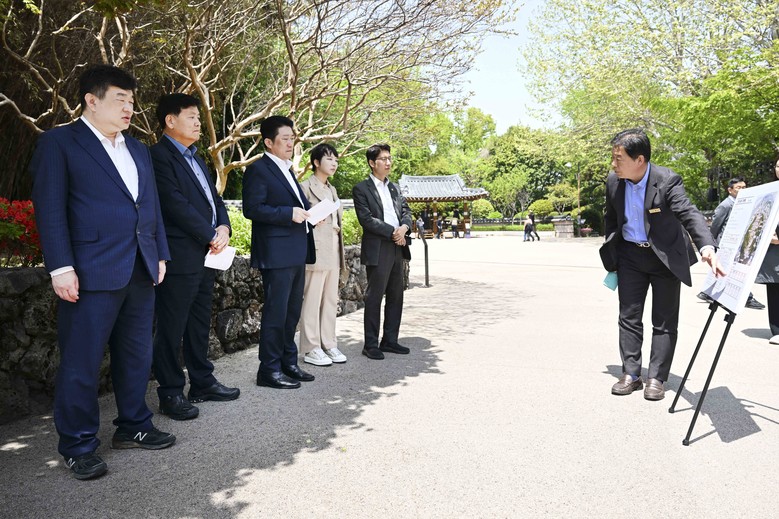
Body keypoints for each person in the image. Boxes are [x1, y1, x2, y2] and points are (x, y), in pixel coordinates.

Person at [30, 65, 175, 480]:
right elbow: (50, 209)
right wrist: (61, 267)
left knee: (136, 355)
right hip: (90, 270)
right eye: (120, 100)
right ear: (91, 101)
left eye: (132, 101)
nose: (129, 108)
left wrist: (160, 254)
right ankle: (78, 445)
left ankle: (134, 425)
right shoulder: (59, 142)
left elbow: (150, 206)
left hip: (140, 269)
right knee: (81, 361)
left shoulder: (139, 149)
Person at [603, 129, 725, 401]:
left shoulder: (667, 180)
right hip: (630, 256)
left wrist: (707, 247)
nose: (613, 164)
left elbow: (689, 213)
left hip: (664, 257)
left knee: (664, 320)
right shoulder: (614, 182)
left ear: (640, 160)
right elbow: (611, 218)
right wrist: (612, 250)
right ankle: (631, 374)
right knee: (628, 316)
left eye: (618, 158)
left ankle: (656, 377)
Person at [150, 93, 240, 421]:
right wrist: (209, 234)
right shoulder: (158, 156)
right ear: (170, 120)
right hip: (179, 255)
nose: (199, 123)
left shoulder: (197, 158)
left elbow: (214, 200)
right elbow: (174, 204)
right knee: (171, 326)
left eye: (199, 118)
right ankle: (170, 392)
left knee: (199, 323)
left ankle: (202, 382)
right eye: (192, 117)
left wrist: (224, 228)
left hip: (206, 255)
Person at [242, 116, 316, 389]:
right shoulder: (258, 169)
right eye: (284, 139)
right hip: (276, 252)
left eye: (292, 138)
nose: (290, 143)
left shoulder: (288, 169)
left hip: (296, 250)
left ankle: (288, 362)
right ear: (268, 142)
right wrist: (288, 213)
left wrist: (311, 215)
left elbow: (299, 206)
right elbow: (252, 208)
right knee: (276, 313)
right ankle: (269, 370)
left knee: (291, 312)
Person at [352, 143, 412, 359]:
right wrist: (392, 232)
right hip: (379, 246)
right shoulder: (361, 189)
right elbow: (366, 220)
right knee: (374, 296)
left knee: (396, 295)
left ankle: (390, 340)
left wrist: (404, 228)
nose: (388, 162)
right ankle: (370, 344)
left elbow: (406, 211)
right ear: (372, 163)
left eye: (389, 158)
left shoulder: (395, 188)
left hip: (398, 244)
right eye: (383, 159)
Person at [299, 143, 348, 366]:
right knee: (312, 299)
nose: (334, 163)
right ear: (316, 162)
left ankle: (329, 343)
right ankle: (311, 348)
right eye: (329, 159)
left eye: (336, 159)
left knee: (330, 299)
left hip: (334, 249)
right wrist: (310, 219)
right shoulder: (305, 187)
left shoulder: (332, 189)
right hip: (316, 249)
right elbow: (299, 219)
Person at [696, 177, 764, 309]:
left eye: (744, 187)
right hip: (726, 244)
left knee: (728, 271)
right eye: (739, 188)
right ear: (730, 190)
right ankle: (747, 298)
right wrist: (712, 243)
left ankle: (706, 293)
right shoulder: (725, 205)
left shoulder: (744, 202)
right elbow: (715, 226)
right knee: (737, 272)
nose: (742, 190)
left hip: (738, 243)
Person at [757, 158, 779, 344]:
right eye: (778, 166)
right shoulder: (770, 191)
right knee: (775, 289)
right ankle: (777, 330)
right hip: (773, 249)